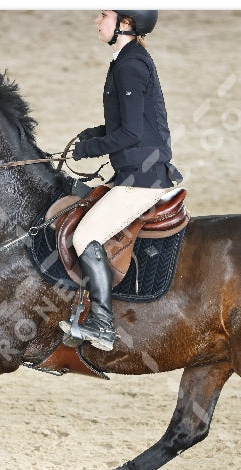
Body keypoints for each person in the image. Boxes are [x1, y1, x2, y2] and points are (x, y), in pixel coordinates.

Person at [59, 10, 182, 351]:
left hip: (142, 176)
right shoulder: (127, 59)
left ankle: (101, 325)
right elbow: (132, 123)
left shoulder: (130, 65)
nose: (97, 21)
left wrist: (89, 149)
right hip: (134, 169)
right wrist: (94, 133)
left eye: (104, 16)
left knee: (86, 235)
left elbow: (130, 133)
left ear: (125, 24)